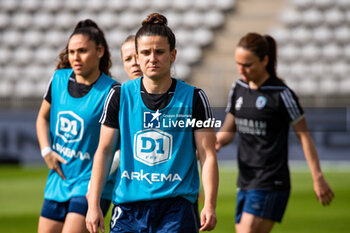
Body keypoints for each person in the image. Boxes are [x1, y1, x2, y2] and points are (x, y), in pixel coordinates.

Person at [86, 13, 219, 233]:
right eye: (146, 53)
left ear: (173, 55)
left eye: (159, 52)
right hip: (127, 210)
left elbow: (207, 155)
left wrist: (210, 204)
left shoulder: (195, 97)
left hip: (177, 209)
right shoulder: (119, 95)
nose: (152, 58)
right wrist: (93, 205)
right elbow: (104, 150)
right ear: (137, 56)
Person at [216, 32, 335, 233]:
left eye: (248, 65)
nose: (241, 70)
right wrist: (215, 142)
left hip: (271, 181)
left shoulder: (281, 94)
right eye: (238, 63)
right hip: (245, 180)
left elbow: (304, 135)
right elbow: (228, 131)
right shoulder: (238, 88)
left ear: (264, 60)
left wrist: (318, 177)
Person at [36, 19, 118, 233]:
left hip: (90, 185)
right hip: (59, 179)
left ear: (100, 51)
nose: (75, 57)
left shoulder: (113, 91)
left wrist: (103, 175)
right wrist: (47, 151)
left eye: (82, 51)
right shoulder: (58, 79)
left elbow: (121, 144)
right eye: (71, 52)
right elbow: (42, 118)